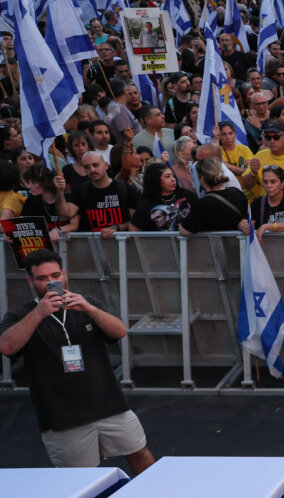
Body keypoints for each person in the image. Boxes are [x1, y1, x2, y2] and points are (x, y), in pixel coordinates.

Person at [0, 250, 155, 472]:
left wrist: (90, 309)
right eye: (42, 279)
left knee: (139, 452)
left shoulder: (84, 303)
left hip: (109, 404)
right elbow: (6, 346)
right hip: (63, 416)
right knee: (80, 477)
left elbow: (120, 331)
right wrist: (39, 313)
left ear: (64, 275)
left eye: (55, 276)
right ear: (31, 282)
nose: (50, 282)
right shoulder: (21, 314)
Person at [69, 152, 138, 239]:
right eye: (87, 167)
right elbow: (70, 219)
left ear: (106, 165)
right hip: (93, 248)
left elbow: (136, 222)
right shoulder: (81, 191)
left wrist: (116, 228)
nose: (92, 170)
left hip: (123, 246)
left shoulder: (124, 188)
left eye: (95, 165)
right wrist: (59, 191)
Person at [179, 159, 251, 235]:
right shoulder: (237, 193)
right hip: (239, 245)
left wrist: (180, 222)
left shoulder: (202, 205)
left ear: (202, 178)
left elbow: (184, 231)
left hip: (212, 246)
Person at [129, 163, 197, 231]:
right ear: (156, 180)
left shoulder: (187, 195)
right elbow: (133, 230)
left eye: (173, 176)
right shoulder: (146, 204)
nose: (173, 179)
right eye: (167, 176)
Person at [250, 166, 284, 239]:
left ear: (283, 183)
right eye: (265, 182)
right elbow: (251, 224)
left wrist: (266, 226)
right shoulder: (258, 202)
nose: (269, 185)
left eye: (273, 181)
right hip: (265, 247)